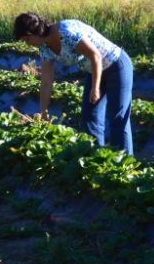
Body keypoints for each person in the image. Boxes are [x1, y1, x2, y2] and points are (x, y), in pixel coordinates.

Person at [13, 12, 134, 156]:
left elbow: (95, 56)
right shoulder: (45, 48)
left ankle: (125, 166)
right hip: (94, 70)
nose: (27, 44)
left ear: (34, 32)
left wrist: (95, 88)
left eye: (27, 39)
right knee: (90, 116)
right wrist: (44, 112)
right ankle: (97, 158)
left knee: (117, 118)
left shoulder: (66, 32)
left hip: (116, 65)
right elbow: (46, 82)